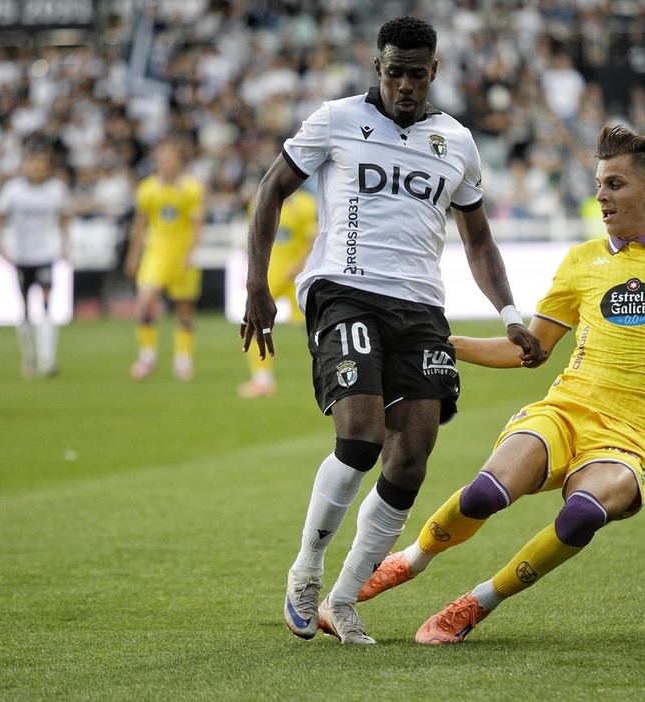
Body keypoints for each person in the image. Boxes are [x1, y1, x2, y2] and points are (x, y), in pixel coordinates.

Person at [358, 124, 645, 644]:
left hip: (637, 436)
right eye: (599, 183)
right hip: (566, 410)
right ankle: (409, 559)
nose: (601, 195)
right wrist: (444, 342)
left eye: (614, 184)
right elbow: (529, 352)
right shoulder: (582, 260)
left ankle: (476, 603)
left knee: (581, 516)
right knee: (484, 494)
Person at [240, 16, 543, 645]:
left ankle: (344, 598)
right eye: (394, 70)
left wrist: (511, 315)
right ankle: (306, 571)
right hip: (344, 290)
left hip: (420, 307)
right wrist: (257, 287)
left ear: (433, 71)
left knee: (412, 458)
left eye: (417, 72)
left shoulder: (456, 141)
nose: (405, 83)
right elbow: (271, 190)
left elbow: (478, 238)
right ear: (378, 68)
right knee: (360, 436)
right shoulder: (336, 119)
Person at [124, 140, 206, 381]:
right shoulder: (148, 189)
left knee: (184, 309)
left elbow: (197, 224)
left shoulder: (191, 188)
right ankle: (147, 355)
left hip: (181, 256)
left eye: (170, 159)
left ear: (178, 161)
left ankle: (183, 360)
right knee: (145, 302)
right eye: (162, 159)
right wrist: (133, 255)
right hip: (156, 253)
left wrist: (191, 253)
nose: (166, 163)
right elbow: (140, 225)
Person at [0, 150, 71, 378]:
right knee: (25, 308)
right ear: (26, 166)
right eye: (33, 164)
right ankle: (29, 359)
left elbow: (64, 217)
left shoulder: (56, 190)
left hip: (46, 254)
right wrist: (0, 245)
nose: (37, 169)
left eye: (41, 164)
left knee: (46, 304)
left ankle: (47, 360)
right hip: (22, 255)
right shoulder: (13, 190)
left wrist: (66, 245)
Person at [238, 181, 318, 398]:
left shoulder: (306, 204)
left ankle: (327, 373)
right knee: (256, 322)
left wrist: (299, 265)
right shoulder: (259, 201)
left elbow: (313, 239)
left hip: (298, 275)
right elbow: (254, 236)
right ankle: (262, 380)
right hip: (270, 273)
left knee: (313, 328)